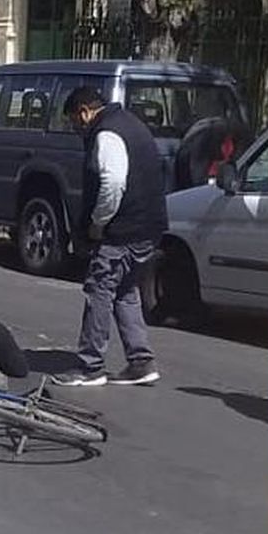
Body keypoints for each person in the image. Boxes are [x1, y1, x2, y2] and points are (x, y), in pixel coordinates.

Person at [53, 86, 168, 387]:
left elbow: (113, 183)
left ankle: (90, 366)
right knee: (125, 289)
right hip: (149, 226)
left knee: (99, 289)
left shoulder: (106, 133)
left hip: (123, 229)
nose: (76, 130)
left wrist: (97, 224)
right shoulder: (131, 123)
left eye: (74, 122)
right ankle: (141, 361)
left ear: (84, 112)